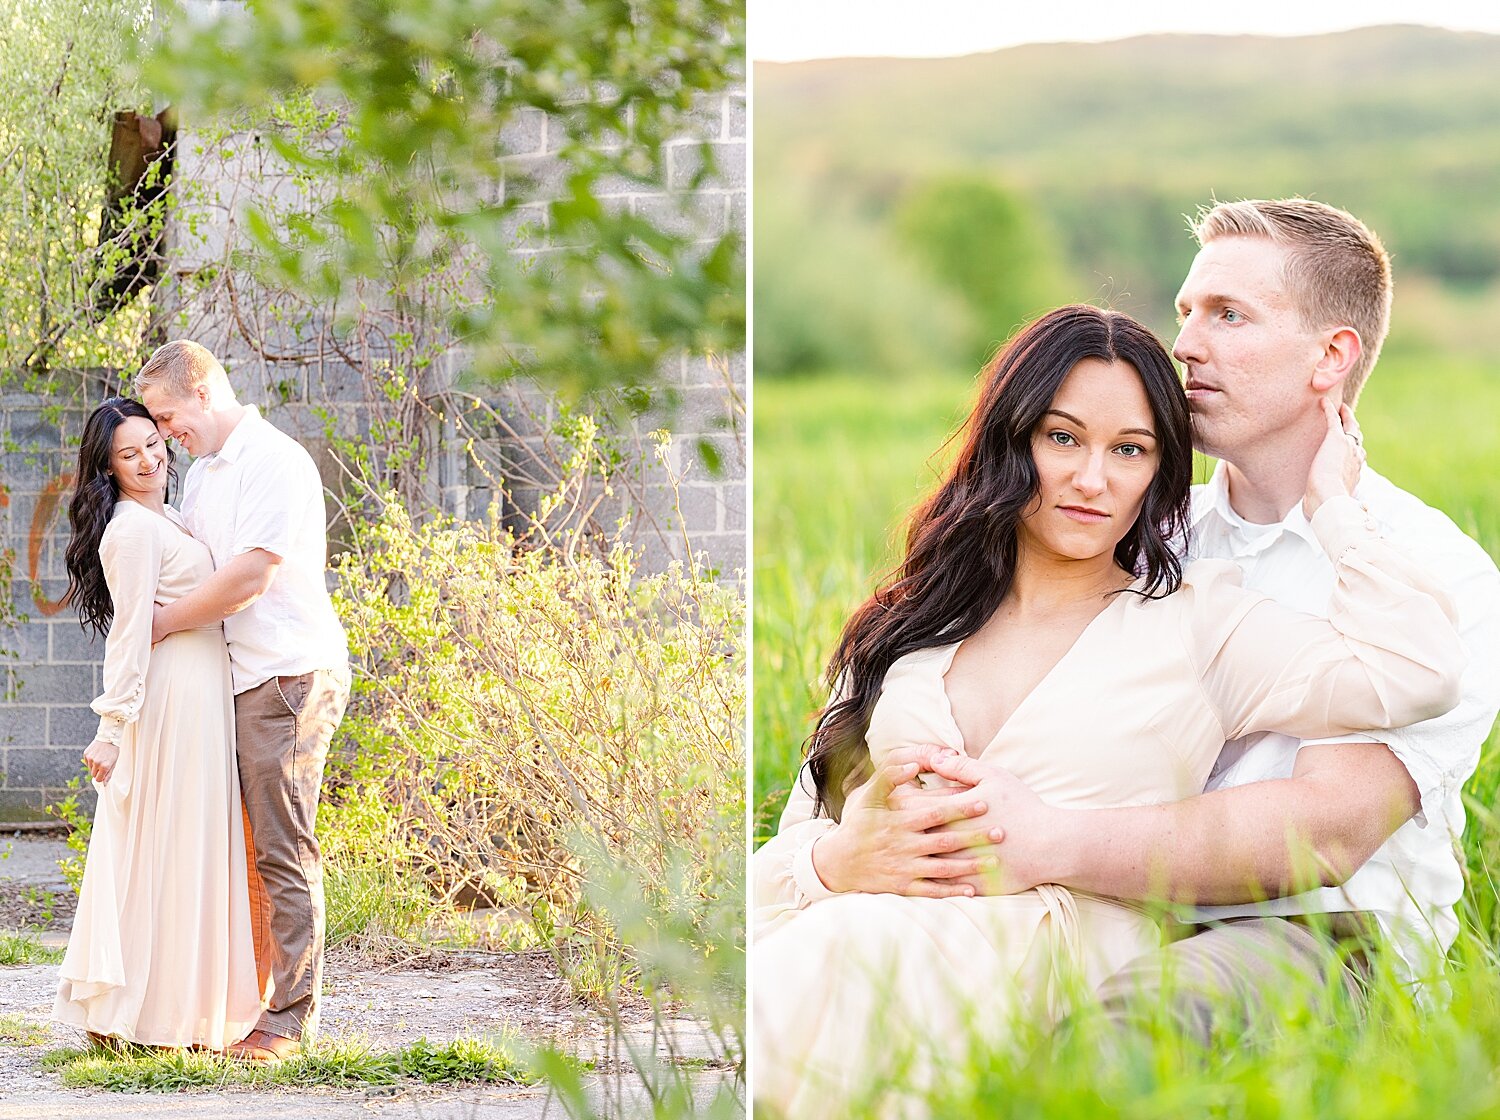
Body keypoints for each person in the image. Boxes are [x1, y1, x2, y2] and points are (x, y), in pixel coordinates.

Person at [751, 304, 1467, 1117]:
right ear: (1009, 443)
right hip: (860, 941)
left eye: (1130, 450)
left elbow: (1418, 672)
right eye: (1063, 438)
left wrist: (1332, 504)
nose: (1093, 480)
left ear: (1158, 475)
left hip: (1052, 965)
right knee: (792, 975)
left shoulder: (1200, 624)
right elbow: (796, 845)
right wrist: (837, 863)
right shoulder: (912, 626)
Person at [138, 340, 351, 1064]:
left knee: (283, 848)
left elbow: (249, 578)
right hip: (238, 680)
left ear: (202, 393)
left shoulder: (274, 461)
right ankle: (246, 1004)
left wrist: (160, 624)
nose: (166, 434)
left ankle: (292, 1020)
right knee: (246, 851)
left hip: (287, 679)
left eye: (168, 417)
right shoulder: (201, 478)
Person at [53, 397, 262, 1050]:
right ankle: (140, 1017)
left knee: (185, 850)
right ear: (107, 468)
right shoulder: (131, 531)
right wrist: (112, 727)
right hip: (170, 703)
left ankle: (175, 1013)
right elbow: (129, 633)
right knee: (165, 851)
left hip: (200, 698)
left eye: (152, 443)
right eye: (129, 453)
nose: (148, 459)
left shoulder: (165, 516)